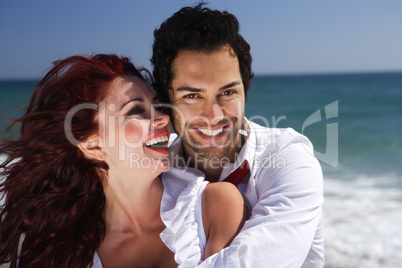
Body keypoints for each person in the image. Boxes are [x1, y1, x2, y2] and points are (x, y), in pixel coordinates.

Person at [0, 54, 246, 267]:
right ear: (92, 145)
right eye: (136, 111)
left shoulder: (214, 207)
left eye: (158, 105)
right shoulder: (62, 250)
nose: (162, 118)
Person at [151, 3, 324, 267]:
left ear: (245, 91)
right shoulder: (154, 172)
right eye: (192, 95)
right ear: (166, 100)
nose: (213, 114)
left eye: (228, 92)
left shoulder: (289, 157)